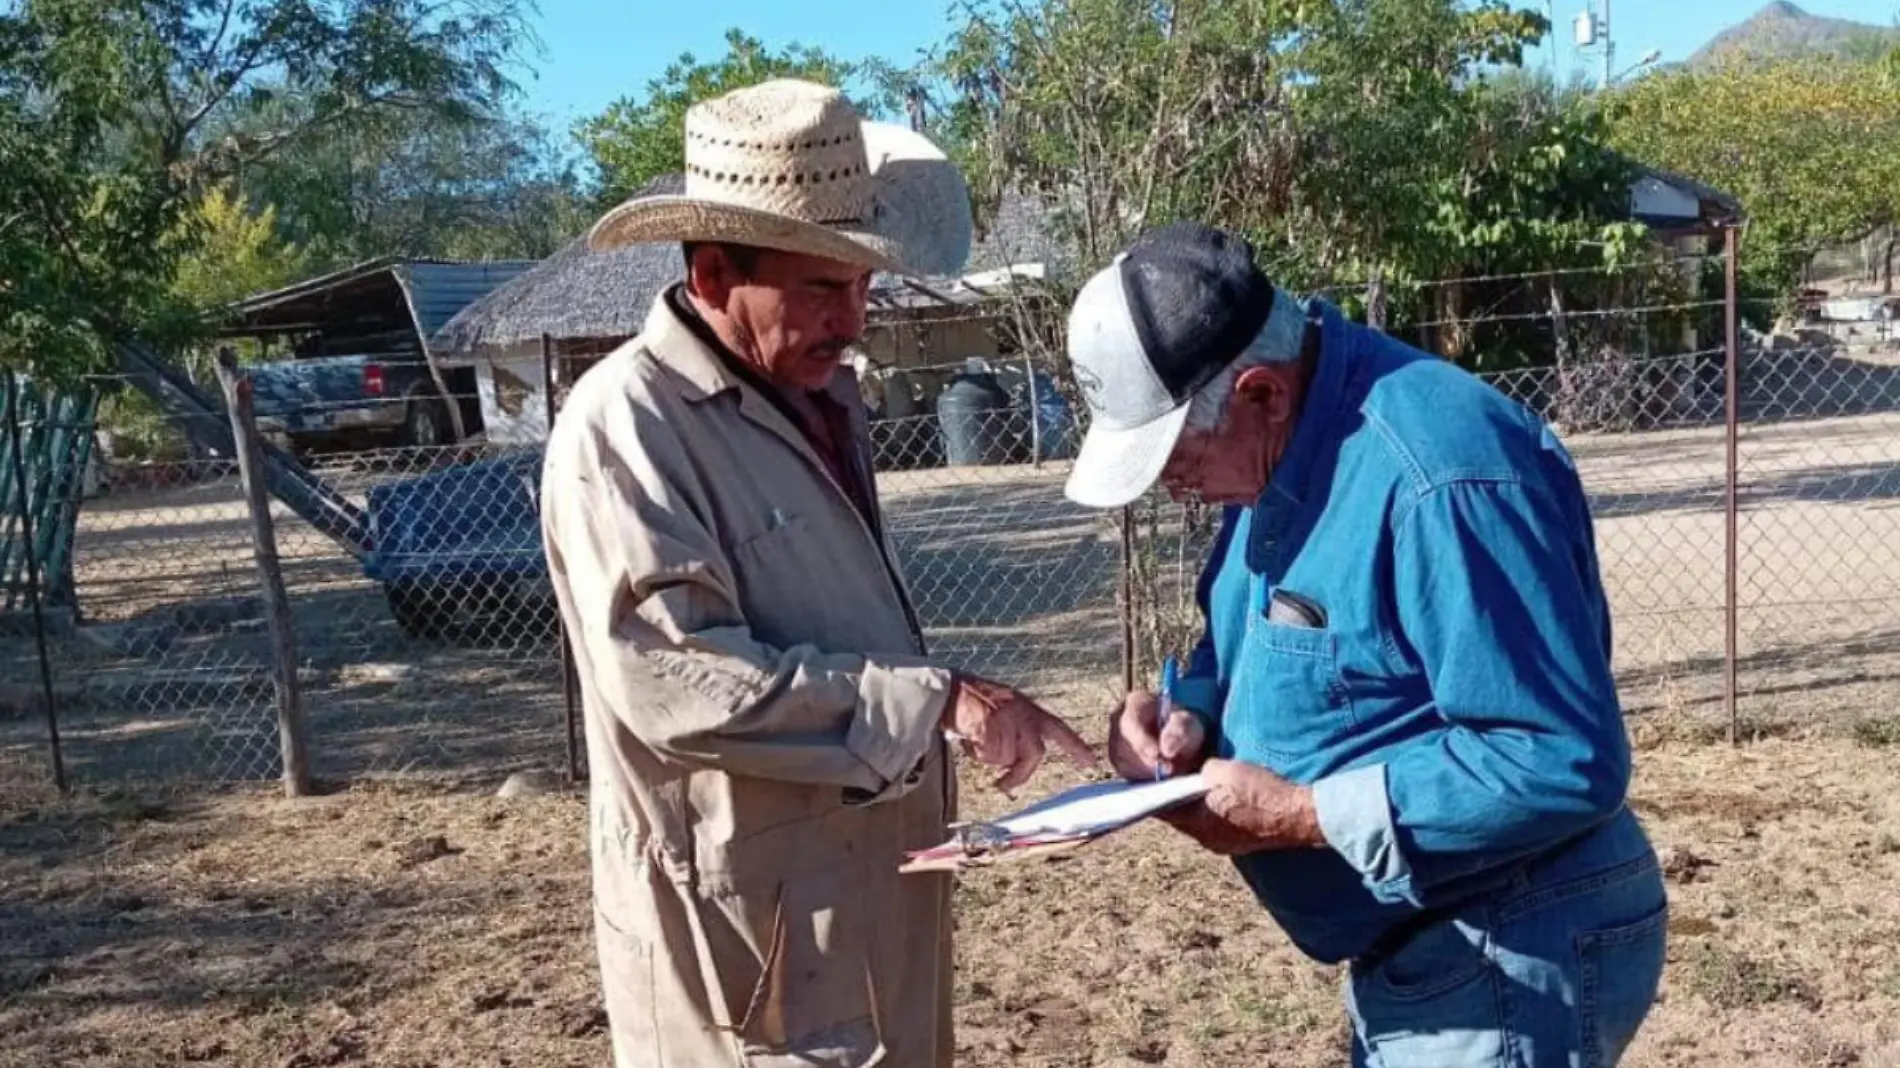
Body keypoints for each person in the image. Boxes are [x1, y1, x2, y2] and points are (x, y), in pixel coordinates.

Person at [538, 79, 1096, 1068]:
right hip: (744, 945)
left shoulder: (818, 393)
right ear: (712, 274)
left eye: (862, 287)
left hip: (859, 895)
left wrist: (934, 704)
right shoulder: (624, 427)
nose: (853, 322)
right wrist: (934, 704)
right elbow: (674, 682)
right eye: (820, 290)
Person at [1065, 221, 1667, 1067]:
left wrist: (1303, 816)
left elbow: (1559, 755)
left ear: (1262, 393)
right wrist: (1188, 713)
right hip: (1425, 946)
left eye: (1174, 457)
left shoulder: (1442, 476)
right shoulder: (1276, 444)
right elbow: (1250, 638)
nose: (1173, 488)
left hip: (1508, 941)